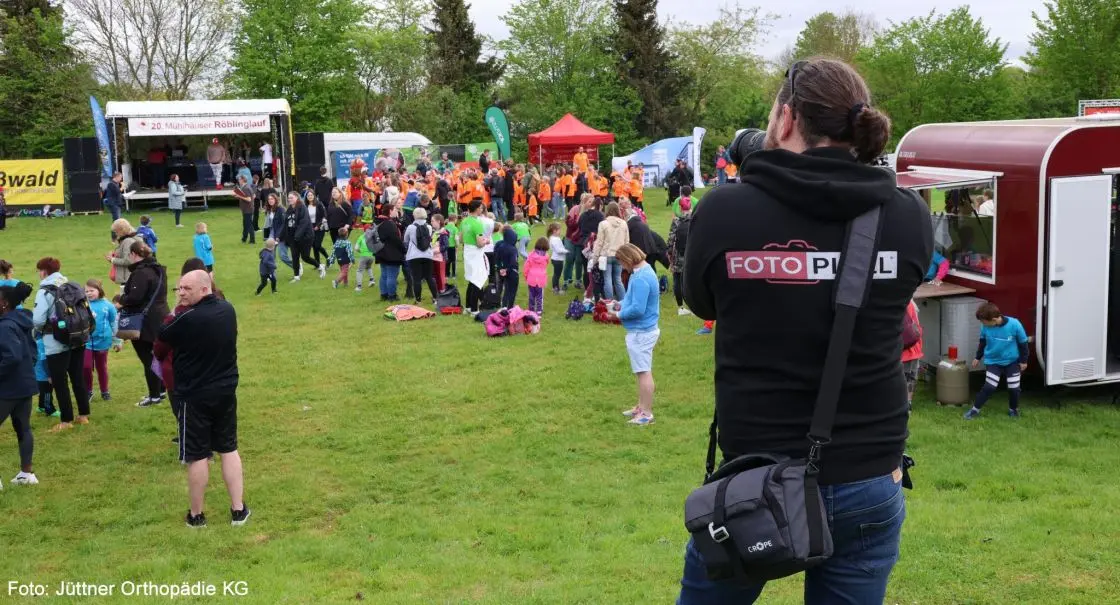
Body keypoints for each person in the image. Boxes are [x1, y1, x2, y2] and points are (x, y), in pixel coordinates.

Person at [678, 58, 932, 603]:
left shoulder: (725, 211)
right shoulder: (906, 214)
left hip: (755, 476)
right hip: (869, 470)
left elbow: (701, 301)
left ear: (786, 118)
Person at [160, 270, 249, 528]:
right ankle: (238, 510)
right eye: (179, 289)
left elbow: (163, 336)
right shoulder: (228, 309)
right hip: (225, 390)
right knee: (228, 448)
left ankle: (197, 515)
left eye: (187, 288)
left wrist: (177, 309)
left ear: (204, 288)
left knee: (198, 455)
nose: (181, 293)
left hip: (195, 396)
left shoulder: (187, 317)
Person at [32, 257, 90, 432]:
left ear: (43, 271)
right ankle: (83, 415)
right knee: (77, 376)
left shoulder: (45, 291)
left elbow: (38, 319)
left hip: (56, 341)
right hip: (78, 338)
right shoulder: (73, 285)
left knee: (59, 381)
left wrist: (39, 331)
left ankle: (66, 420)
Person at [611, 244, 660, 426]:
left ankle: (646, 413)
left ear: (628, 259)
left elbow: (638, 309)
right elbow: (633, 299)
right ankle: (641, 406)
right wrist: (619, 303)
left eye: (622, 263)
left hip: (642, 331)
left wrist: (617, 314)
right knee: (641, 372)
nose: (623, 267)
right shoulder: (644, 272)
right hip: (644, 329)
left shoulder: (640, 278)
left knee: (643, 372)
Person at [120, 241, 170, 408]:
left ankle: (154, 395)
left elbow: (135, 297)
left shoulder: (141, 273)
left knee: (148, 359)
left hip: (144, 321)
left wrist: (121, 300)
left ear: (134, 254)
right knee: (158, 356)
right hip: (161, 316)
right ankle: (162, 390)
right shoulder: (159, 269)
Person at [0, 281, 38, 485]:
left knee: (23, 428)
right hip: (25, 384)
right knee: (23, 428)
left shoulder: (5, 327)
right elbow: (32, 354)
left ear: (4, 303)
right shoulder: (23, 321)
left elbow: (12, 357)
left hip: (8, 388)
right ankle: (27, 474)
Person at [964, 302, 1029, 420]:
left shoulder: (1015, 324)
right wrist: (977, 357)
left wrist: (1024, 361)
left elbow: (1023, 344)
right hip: (993, 361)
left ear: (994, 319)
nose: (982, 324)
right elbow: (982, 342)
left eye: (984, 321)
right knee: (990, 386)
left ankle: (1013, 410)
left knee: (1014, 388)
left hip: (1012, 362)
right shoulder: (985, 327)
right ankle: (974, 410)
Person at [83, 279, 117, 401]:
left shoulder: (108, 305)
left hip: (103, 342)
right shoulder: (83, 305)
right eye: (86, 291)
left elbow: (113, 323)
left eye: (92, 290)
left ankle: (105, 391)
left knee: (101, 367)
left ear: (99, 290)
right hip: (86, 342)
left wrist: (117, 340)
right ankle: (88, 391)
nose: (89, 293)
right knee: (86, 366)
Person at [283, 191, 326, 282]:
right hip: (293, 237)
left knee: (305, 257)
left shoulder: (302, 207)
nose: (289, 199)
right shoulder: (289, 208)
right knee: (295, 256)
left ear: (297, 198)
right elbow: (286, 223)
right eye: (289, 198)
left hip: (305, 237)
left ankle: (319, 266)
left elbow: (304, 222)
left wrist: (297, 236)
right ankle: (296, 277)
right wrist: (281, 236)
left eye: (291, 197)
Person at [592, 202, 630, 301]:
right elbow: (627, 242)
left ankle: (609, 302)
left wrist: (595, 258)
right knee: (618, 280)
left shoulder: (603, 224)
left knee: (607, 279)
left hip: (606, 255)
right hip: (619, 255)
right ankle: (623, 302)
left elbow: (599, 242)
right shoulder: (624, 223)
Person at [460, 201, 491, 315]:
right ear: (477, 209)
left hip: (467, 251)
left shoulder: (464, 221)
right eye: (481, 208)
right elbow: (479, 243)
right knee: (478, 280)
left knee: (471, 279)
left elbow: (461, 239)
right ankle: (474, 309)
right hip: (476, 252)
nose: (482, 210)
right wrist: (486, 241)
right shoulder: (477, 224)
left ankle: (468, 307)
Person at [403, 207, 439, 304]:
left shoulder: (410, 227)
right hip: (427, 254)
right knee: (429, 277)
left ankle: (418, 299)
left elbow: (405, 240)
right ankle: (435, 298)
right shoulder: (429, 227)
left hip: (414, 255)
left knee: (417, 278)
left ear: (414, 215)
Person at [667, 197, 693, 315]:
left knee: (677, 279)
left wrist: (669, 252)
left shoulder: (676, 221)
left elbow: (671, 239)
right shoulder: (694, 220)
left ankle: (680, 307)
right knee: (689, 279)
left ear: (680, 207)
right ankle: (693, 306)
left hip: (678, 254)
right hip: (691, 253)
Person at [374, 206, 406, 301]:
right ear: (390, 211)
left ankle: (384, 294)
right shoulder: (389, 224)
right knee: (392, 275)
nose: (396, 211)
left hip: (381, 252)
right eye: (395, 210)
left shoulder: (378, 221)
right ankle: (392, 295)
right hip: (391, 253)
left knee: (384, 274)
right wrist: (404, 249)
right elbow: (395, 239)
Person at [902, 299, 922, 412]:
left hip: (904, 349)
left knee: (903, 378)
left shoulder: (903, 303)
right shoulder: (910, 303)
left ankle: (904, 404)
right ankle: (908, 404)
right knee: (911, 378)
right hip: (914, 347)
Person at [107, 219, 140, 287]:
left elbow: (128, 261)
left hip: (128, 278)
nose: (116, 234)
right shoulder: (130, 238)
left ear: (122, 230)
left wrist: (112, 260)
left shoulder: (128, 241)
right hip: (130, 277)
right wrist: (115, 255)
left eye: (116, 231)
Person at [494, 227, 520, 309]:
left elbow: (496, 258)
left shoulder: (500, 245)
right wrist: (508, 270)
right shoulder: (513, 249)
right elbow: (513, 262)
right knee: (512, 291)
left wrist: (500, 268)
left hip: (502, 270)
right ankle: (510, 307)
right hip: (512, 271)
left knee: (506, 289)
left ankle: (504, 306)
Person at [524, 237, 550, 315]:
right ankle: (539, 310)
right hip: (541, 278)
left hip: (531, 278)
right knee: (539, 295)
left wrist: (526, 276)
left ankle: (531, 309)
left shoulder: (531, 255)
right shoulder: (546, 256)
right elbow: (546, 264)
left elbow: (526, 267)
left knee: (531, 295)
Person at [306, 191, 330, 267]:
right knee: (313, 245)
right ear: (306, 197)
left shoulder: (319, 204)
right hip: (310, 228)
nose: (310, 196)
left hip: (320, 227)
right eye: (308, 195)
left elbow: (324, 215)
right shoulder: (305, 206)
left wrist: (318, 226)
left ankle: (328, 257)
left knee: (317, 245)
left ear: (314, 196)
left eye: (311, 195)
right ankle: (317, 264)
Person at [231, 175, 255, 245]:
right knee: (245, 224)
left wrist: (239, 196)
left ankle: (252, 240)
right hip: (246, 209)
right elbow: (252, 196)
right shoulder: (246, 187)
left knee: (249, 225)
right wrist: (238, 196)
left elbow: (249, 199)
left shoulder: (246, 188)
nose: (238, 181)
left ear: (242, 180)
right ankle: (244, 239)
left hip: (248, 209)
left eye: (239, 179)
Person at [353, 223, 376, 293]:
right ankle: (372, 280)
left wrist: (361, 251)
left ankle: (359, 286)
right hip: (371, 256)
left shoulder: (361, 237)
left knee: (359, 270)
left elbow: (356, 248)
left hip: (364, 255)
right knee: (368, 267)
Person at [431, 214, 449, 293]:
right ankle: (437, 292)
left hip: (440, 258)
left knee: (440, 276)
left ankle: (442, 292)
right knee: (434, 276)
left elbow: (445, 245)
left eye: (432, 221)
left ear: (438, 221)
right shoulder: (434, 232)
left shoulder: (443, 232)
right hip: (433, 257)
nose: (431, 222)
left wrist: (436, 250)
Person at [547, 222, 567, 294]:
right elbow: (558, 250)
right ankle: (556, 289)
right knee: (557, 275)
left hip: (556, 259)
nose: (560, 231)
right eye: (559, 230)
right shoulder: (555, 239)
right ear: (554, 231)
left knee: (556, 274)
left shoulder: (554, 238)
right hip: (557, 259)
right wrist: (567, 251)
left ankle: (555, 287)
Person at [444, 213, 459, 280]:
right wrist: (457, 245)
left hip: (446, 247)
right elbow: (456, 238)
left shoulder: (445, 227)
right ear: (455, 219)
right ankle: (453, 275)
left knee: (447, 260)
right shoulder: (455, 228)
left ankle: (446, 274)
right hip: (452, 246)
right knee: (453, 260)